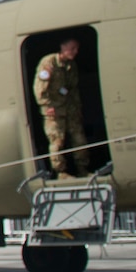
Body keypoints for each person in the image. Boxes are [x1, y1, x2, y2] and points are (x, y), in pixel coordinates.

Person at [33, 38, 87, 177]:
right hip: (54, 110)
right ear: (62, 47)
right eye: (72, 48)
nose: (76, 52)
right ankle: (61, 172)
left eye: (77, 49)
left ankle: (83, 169)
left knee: (79, 139)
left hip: (69, 108)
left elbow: (72, 90)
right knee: (57, 141)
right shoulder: (49, 62)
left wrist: (77, 108)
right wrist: (47, 105)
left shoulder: (71, 65)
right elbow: (40, 89)